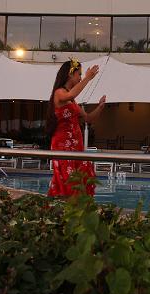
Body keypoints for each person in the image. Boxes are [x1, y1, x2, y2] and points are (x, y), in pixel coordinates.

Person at [45, 59, 106, 197]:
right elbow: (71, 94)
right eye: (79, 74)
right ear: (70, 74)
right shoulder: (59, 93)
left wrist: (100, 107)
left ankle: (77, 213)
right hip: (63, 146)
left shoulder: (72, 101)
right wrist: (88, 78)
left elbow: (88, 118)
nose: (80, 78)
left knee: (83, 179)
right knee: (68, 181)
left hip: (76, 147)